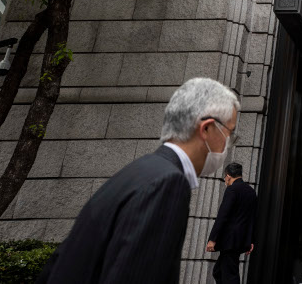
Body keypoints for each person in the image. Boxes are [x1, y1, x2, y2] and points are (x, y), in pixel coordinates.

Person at [37, 78, 240, 284]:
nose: (228, 144)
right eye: (229, 134)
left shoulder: (140, 171)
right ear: (206, 129)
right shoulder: (168, 183)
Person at [206, 161, 258, 284]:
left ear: (228, 176)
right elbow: (252, 218)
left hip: (230, 241)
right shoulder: (251, 191)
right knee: (218, 271)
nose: (225, 180)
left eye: (225, 177)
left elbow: (222, 216)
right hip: (239, 241)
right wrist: (250, 240)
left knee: (230, 275)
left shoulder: (232, 190)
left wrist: (212, 239)